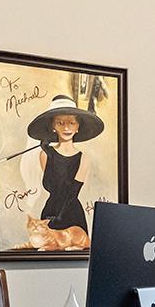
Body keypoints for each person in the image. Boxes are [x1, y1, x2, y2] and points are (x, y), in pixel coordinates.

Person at [25, 95, 104, 234]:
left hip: (72, 217)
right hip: (50, 214)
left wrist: (58, 217)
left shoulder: (83, 158)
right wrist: (49, 154)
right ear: (53, 126)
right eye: (60, 123)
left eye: (71, 123)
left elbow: (72, 192)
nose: (66, 127)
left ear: (78, 126)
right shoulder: (44, 155)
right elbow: (52, 186)